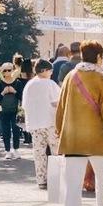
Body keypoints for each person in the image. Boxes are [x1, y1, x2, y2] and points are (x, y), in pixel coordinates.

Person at [56, 40, 103, 206]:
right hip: (98, 140)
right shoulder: (102, 79)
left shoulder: (70, 76)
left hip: (73, 139)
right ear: (99, 57)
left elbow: (60, 108)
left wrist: (61, 131)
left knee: (73, 184)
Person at [22, 59, 61, 189]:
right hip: (50, 122)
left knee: (39, 153)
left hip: (35, 123)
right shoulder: (50, 84)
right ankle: (56, 179)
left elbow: (25, 105)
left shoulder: (29, 85)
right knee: (56, 152)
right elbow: (57, 102)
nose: (51, 73)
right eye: (50, 70)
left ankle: (41, 179)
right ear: (44, 71)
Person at [0, 63, 25, 160]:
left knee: (16, 130)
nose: (7, 72)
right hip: (4, 110)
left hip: (15, 110)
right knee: (5, 131)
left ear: (12, 70)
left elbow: (22, 96)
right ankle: (7, 150)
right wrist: (3, 93)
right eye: (5, 70)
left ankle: (16, 149)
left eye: (9, 70)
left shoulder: (18, 83)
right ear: (2, 72)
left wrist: (14, 91)